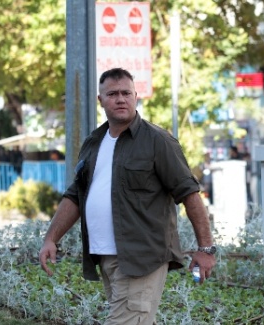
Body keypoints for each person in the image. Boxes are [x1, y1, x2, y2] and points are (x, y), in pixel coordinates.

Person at [38, 68, 216, 325]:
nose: (120, 99)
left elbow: (190, 194)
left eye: (126, 93)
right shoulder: (93, 143)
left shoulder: (157, 141)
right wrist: (50, 238)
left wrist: (206, 248)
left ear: (136, 96)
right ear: (100, 100)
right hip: (105, 256)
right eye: (112, 94)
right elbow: (76, 195)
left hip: (142, 258)